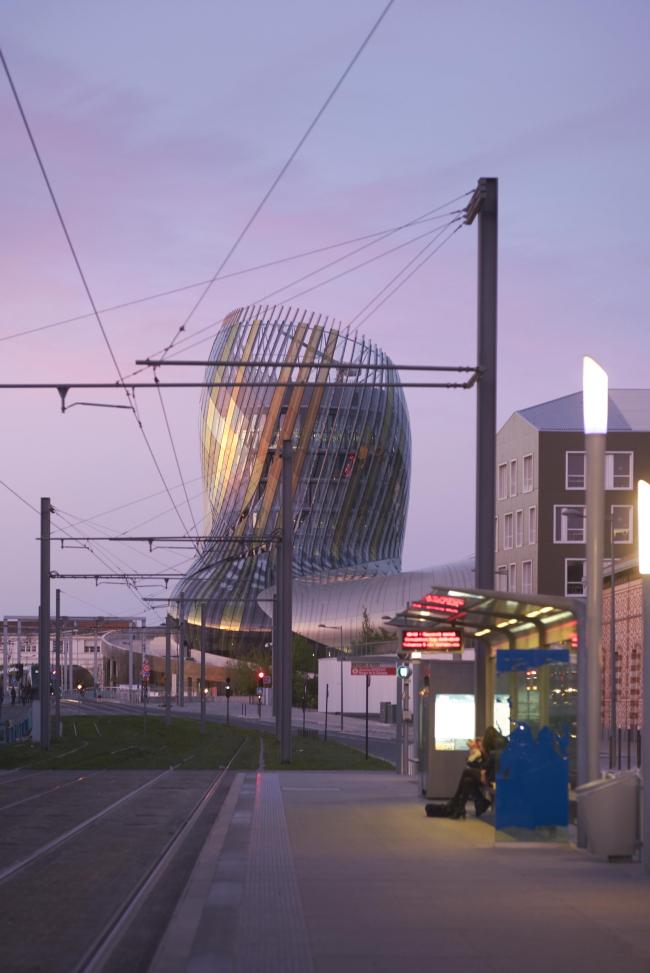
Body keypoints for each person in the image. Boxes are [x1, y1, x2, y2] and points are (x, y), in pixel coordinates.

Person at [450, 725, 502, 820]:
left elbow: (487, 767)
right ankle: (461, 807)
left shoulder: (493, 751)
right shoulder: (500, 747)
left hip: (493, 778)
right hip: (495, 776)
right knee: (467, 780)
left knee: (467, 772)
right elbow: (487, 766)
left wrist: (476, 759)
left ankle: (456, 800)